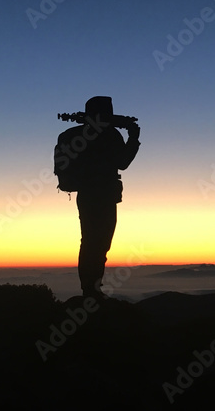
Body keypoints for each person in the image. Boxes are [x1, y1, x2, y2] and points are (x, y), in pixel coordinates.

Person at [74, 96, 140, 299]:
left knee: (90, 241)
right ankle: (92, 289)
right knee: (100, 242)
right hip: (104, 195)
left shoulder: (79, 135)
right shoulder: (110, 135)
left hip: (85, 195)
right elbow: (123, 162)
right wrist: (133, 136)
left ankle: (90, 288)